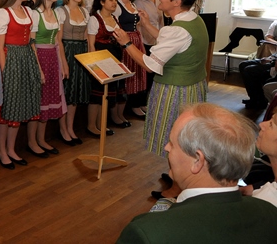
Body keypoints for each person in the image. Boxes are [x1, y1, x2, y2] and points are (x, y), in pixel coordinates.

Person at [117, 103, 277, 244]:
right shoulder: (269, 212)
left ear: (197, 161)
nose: (166, 148)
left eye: (172, 143)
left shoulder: (147, 233)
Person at [114, 0, 209, 198]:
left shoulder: (176, 30)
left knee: (176, 137)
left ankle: (178, 186)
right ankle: (176, 175)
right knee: (186, 136)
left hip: (175, 90)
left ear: (176, 2)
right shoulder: (194, 20)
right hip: (193, 86)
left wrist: (126, 43)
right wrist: (146, 24)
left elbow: (150, 64)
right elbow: (173, 45)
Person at [0, 0, 41, 169]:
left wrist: (37, 67)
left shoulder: (29, 12)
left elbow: (31, 43)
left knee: (19, 106)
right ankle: (2, 150)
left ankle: (11, 149)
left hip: (26, 59)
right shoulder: (3, 13)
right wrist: (4, 72)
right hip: (11, 59)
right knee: (8, 108)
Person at [29, 0, 68, 156]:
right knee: (37, 100)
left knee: (47, 99)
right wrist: (38, 67)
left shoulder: (57, 13)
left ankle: (41, 138)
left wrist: (63, 63)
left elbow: (58, 41)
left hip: (53, 57)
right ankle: (31, 141)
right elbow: (32, 44)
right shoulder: (35, 14)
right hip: (40, 57)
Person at [87, 0, 125, 137]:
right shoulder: (95, 19)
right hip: (100, 60)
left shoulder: (115, 19)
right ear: (102, 2)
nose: (114, 2)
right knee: (97, 95)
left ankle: (101, 125)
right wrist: (93, 66)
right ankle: (91, 126)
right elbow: (91, 45)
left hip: (113, 60)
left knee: (106, 94)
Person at [59, 0, 89, 145]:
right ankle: (63, 129)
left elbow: (86, 37)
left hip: (81, 52)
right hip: (68, 50)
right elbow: (59, 39)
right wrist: (63, 61)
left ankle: (70, 128)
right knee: (66, 91)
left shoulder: (85, 11)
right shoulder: (61, 11)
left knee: (76, 93)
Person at [114, 0, 147, 126]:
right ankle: (117, 115)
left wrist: (141, 45)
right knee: (124, 79)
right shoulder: (118, 6)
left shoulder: (133, 4)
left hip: (136, 41)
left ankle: (126, 110)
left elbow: (138, 26)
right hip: (124, 42)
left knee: (135, 74)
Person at [133, 0, 163, 114]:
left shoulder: (158, 1)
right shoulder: (140, 2)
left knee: (152, 75)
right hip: (145, 40)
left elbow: (160, 22)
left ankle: (145, 102)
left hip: (156, 41)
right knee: (143, 73)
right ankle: (136, 104)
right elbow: (139, 24)